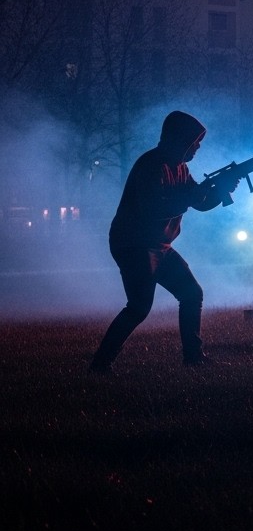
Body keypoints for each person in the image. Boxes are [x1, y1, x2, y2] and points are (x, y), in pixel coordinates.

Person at [89, 111, 241, 373]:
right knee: (138, 308)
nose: (197, 147)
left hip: (159, 245)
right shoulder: (153, 165)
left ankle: (193, 357)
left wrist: (221, 191)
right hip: (134, 244)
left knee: (191, 294)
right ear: (181, 140)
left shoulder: (181, 168)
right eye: (194, 142)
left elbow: (199, 203)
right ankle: (100, 365)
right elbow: (155, 208)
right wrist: (198, 194)